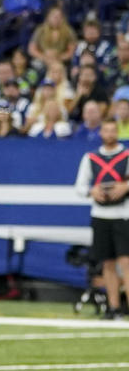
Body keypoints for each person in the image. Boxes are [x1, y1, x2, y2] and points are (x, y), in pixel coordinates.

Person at [74, 119, 129, 319]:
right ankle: (113, 307)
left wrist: (125, 186)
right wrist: (92, 191)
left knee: (126, 263)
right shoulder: (91, 157)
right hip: (101, 214)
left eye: (113, 130)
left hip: (123, 214)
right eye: (106, 130)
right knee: (107, 263)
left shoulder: (126, 155)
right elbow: (79, 187)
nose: (109, 133)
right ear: (101, 133)